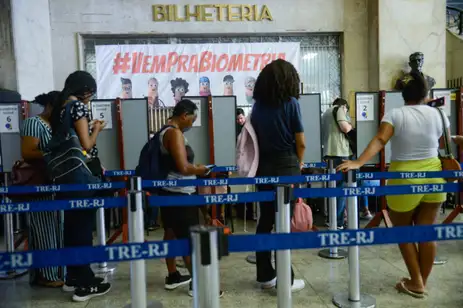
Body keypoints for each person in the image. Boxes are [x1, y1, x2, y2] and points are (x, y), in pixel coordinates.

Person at [338, 71, 448, 298]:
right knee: (428, 233)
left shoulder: (395, 114)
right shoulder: (439, 114)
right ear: (425, 93)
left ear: (402, 93)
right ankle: (419, 282)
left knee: (402, 232)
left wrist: (359, 162)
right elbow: (442, 143)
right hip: (435, 177)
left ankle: (416, 281)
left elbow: (380, 139)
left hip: (403, 178)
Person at [49, 71, 110, 302]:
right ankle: (85, 283)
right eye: (90, 92)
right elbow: (86, 145)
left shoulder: (61, 109)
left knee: (73, 224)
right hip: (82, 176)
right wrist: (97, 129)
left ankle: (73, 276)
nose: (90, 97)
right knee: (83, 225)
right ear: (84, 89)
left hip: (65, 177)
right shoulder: (78, 108)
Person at [251, 59, 306, 292]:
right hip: (287, 166)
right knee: (284, 222)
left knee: (265, 220)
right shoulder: (291, 103)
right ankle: (286, 279)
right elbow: (300, 142)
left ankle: (265, 275)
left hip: (264, 167)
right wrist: (299, 163)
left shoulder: (258, 107)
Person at [158, 99, 222, 297]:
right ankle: (199, 283)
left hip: (168, 191)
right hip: (180, 193)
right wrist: (202, 169)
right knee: (188, 238)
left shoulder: (164, 130)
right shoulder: (174, 133)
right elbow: (184, 168)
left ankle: (173, 275)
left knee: (171, 233)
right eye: (192, 120)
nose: (192, 124)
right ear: (184, 115)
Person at [21, 91, 64, 287]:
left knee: (55, 230)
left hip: (54, 183)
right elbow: (27, 152)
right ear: (49, 106)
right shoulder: (33, 123)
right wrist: (54, 154)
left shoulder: (54, 125)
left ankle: (55, 272)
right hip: (40, 185)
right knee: (44, 230)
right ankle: (46, 275)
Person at [321, 98, 353, 229]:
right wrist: (350, 125)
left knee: (333, 188)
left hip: (329, 154)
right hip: (341, 153)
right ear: (344, 106)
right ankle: (338, 222)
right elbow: (345, 128)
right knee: (341, 189)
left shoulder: (325, 114)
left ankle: (332, 219)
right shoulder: (339, 109)